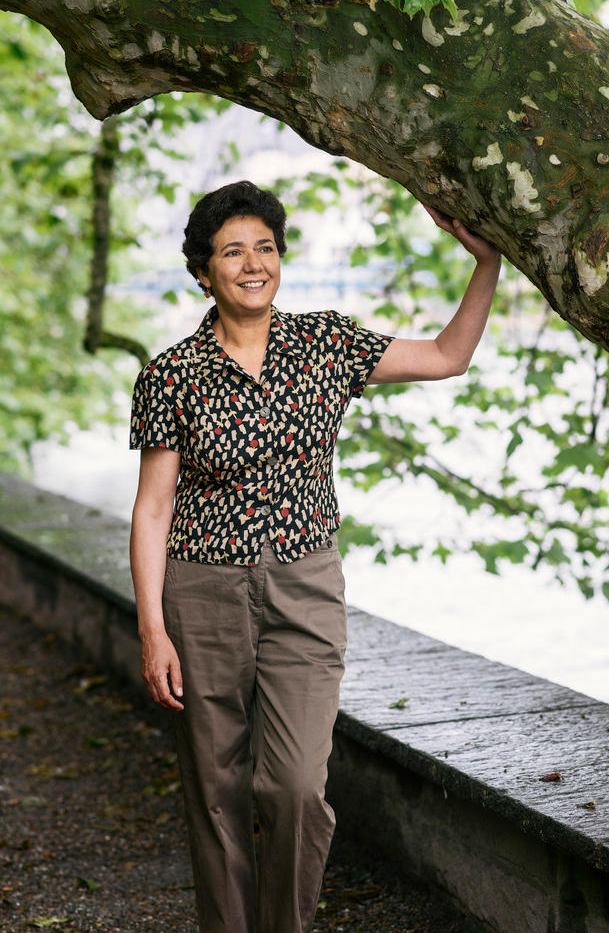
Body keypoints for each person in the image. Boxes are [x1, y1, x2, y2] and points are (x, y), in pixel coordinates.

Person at [129, 180, 501, 933]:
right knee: (215, 791)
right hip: (201, 593)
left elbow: (446, 355)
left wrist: (484, 263)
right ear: (204, 271)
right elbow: (153, 508)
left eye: (264, 247)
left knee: (296, 786)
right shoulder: (172, 373)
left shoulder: (325, 344)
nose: (253, 263)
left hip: (304, 589)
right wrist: (152, 628)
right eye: (233, 251)